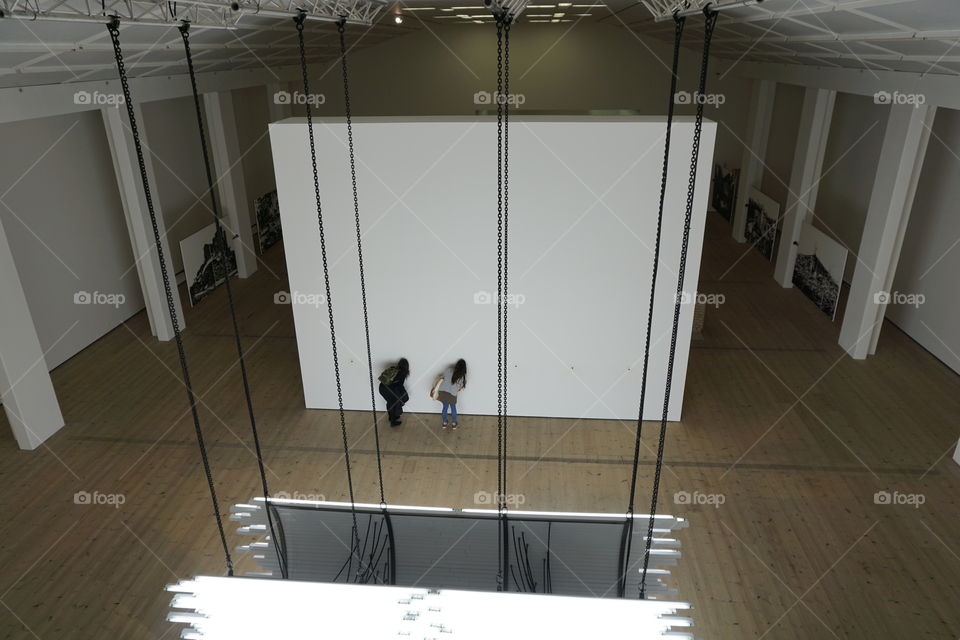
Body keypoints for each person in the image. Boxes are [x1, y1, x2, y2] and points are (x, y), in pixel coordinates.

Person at [378, 358, 409, 427]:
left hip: (382, 388)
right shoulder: (402, 373)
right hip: (389, 390)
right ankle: (393, 422)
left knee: (390, 403)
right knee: (394, 404)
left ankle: (391, 417)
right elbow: (400, 386)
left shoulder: (393, 369)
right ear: (407, 366)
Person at [437, 359, 467, 429]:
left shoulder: (448, 370)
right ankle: (454, 424)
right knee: (453, 408)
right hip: (452, 394)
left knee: (445, 407)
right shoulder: (461, 376)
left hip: (442, 391)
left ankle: (444, 423)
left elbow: (442, 378)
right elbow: (460, 388)